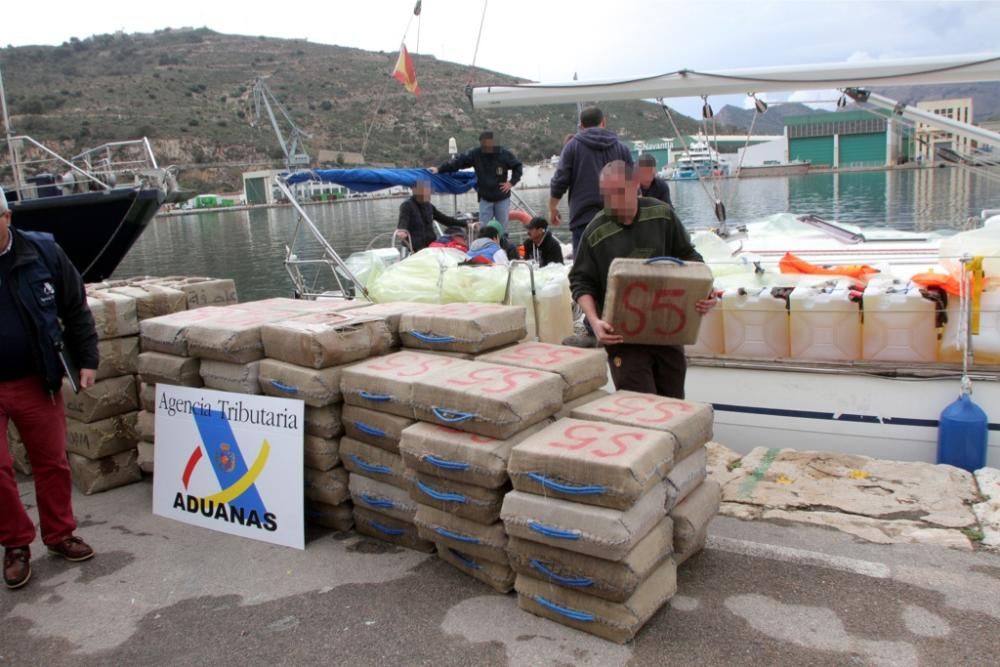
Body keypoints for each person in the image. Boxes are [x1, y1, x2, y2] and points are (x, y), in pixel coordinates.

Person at [1, 185, 99, 590]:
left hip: (35, 378)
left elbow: (75, 307)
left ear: (6, 218)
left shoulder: (42, 253)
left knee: (52, 463)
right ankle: (15, 544)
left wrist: (87, 361)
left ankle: (59, 534)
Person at [568, 162, 717, 399]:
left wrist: (706, 291)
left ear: (635, 185)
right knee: (640, 405)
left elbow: (689, 257)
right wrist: (595, 321)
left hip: (667, 332)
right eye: (607, 195)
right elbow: (580, 281)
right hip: (623, 339)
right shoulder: (596, 230)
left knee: (674, 401)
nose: (613, 202)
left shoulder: (662, 215)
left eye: (619, 192)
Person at [549, 106, 634, 256]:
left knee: (584, 272)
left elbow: (559, 181)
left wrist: (552, 208)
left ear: (581, 125)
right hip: (618, 220)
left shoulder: (572, 147)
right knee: (616, 269)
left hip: (584, 220)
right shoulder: (622, 149)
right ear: (604, 122)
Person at [433, 131, 522, 226]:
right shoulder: (476, 154)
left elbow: (517, 166)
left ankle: (503, 240)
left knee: (503, 229)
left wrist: (511, 182)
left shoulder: (504, 154)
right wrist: (439, 169)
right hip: (485, 198)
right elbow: (458, 162)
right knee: (484, 228)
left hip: (502, 198)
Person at [396, 179, 466, 253]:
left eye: (428, 190)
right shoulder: (406, 205)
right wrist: (402, 230)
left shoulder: (429, 206)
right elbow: (403, 222)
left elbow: (445, 220)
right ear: (415, 191)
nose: (428, 193)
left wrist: (465, 224)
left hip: (431, 246)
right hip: (414, 249)